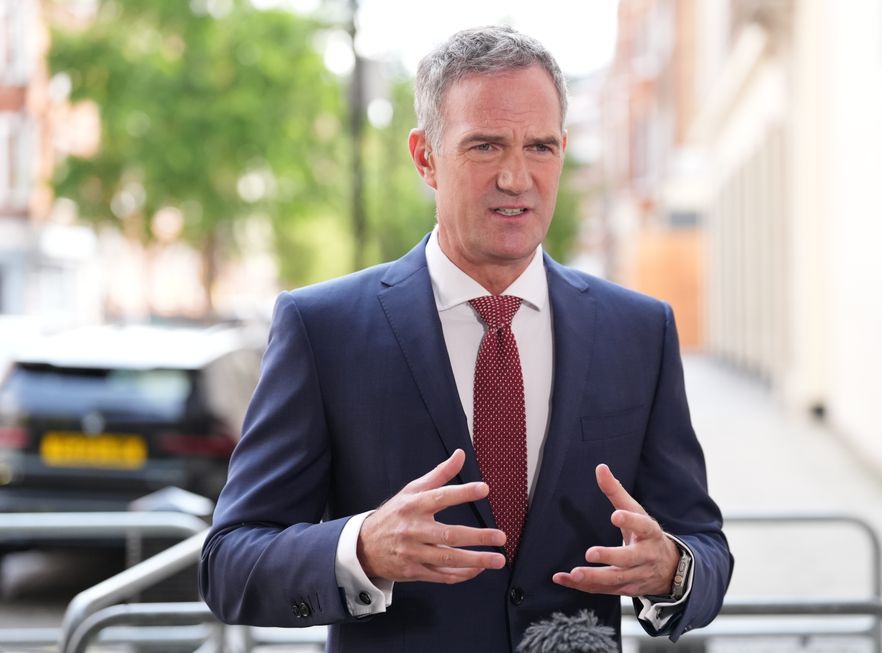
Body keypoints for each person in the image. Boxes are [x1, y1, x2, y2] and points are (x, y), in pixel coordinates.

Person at [200, 25, 733, 652]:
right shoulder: (324, 329)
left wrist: (673, 570)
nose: (516, 176)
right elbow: (230, 564)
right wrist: (363, 547)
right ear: (425, 156)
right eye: (485, 146)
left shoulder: (639, 331)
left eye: (539, 147)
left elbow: (705, 549)